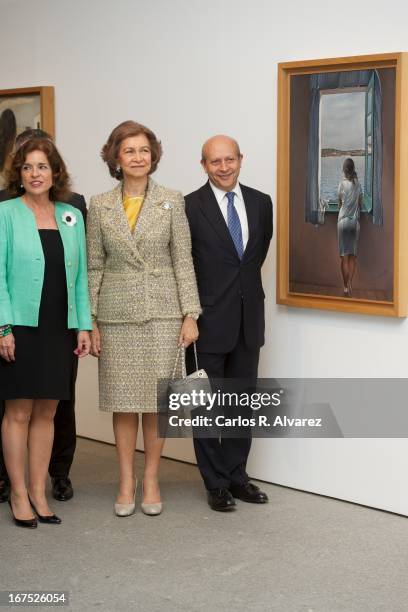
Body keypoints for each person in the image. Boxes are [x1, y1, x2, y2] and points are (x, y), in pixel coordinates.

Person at [87, 120, 201, 517]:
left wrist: (191, 313)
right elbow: (94, 266)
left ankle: (151, 478)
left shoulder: (172, 199)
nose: (138, 157)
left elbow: (182, 259)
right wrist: (92, 319)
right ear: (115, 158)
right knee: (123, 403)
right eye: (129, 151)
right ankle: (125, 479)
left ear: (153, 156)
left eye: (144, 150)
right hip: (117, 316)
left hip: (163, 313)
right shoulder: (98, 205)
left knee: (156, 403)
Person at [0, 137, 92, 527]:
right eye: (28, 167)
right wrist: (3, 326)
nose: (35, 174)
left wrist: (84, 324)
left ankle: (39, 490)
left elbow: (81, 277)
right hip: (19, 326)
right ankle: (18, 493)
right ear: (18, 174)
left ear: (55, 172)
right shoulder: (4, 213)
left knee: (48, 411)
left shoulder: (71, 215)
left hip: (60, 327)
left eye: (42, 167)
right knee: (18, 411)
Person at [184, 134, 273, 512]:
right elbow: (183, 264)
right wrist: (188, 315)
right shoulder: (188, 206)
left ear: (241, 159)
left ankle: (237, 476)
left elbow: (253, 259)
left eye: (229, 159)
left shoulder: (260, 202)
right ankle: (215, 482)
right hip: (203, 323)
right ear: (203, 165)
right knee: (203, 406)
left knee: (241, 405)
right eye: (215, 161)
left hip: (248, 321)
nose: (224, 167)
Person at [337, 157, 363, 297]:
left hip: (342, 222)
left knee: (344, 258)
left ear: (344, 169)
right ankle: (351, 283)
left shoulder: (341, 184)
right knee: (353, 257)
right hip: (354, 223)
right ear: (353, 169)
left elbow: (340, 203)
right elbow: (360, 204)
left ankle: (345, 287)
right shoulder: (358, 184)